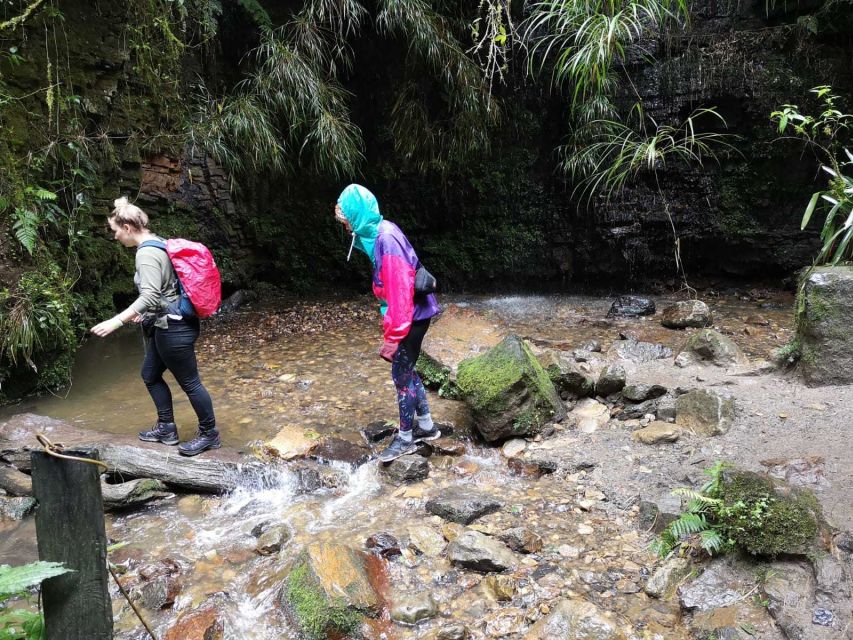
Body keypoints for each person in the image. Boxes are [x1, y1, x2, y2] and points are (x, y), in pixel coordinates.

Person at [90, 197, 221, 456]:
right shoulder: (158, 243)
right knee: (150, 375)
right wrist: (146, 313)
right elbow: (166, 290)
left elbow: (150, 295)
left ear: (127, 227)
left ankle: (209, 434)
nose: (115, 237)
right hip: (167, 323)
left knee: (190, 383)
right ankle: (166, 428)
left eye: (115, 230)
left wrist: (117, 321)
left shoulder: (146, 253)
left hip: (174, 328)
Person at [335, 184, 441, 462]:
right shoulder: (379, 231)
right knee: (408, 370)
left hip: (412, 317)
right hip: (415, 314)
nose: (345, 226)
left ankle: (406, 438)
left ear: (356, 215)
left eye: (346, 220)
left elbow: (399, 293)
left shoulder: (387, 240)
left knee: (401, 377)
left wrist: (393, 337)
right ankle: (427, 427)